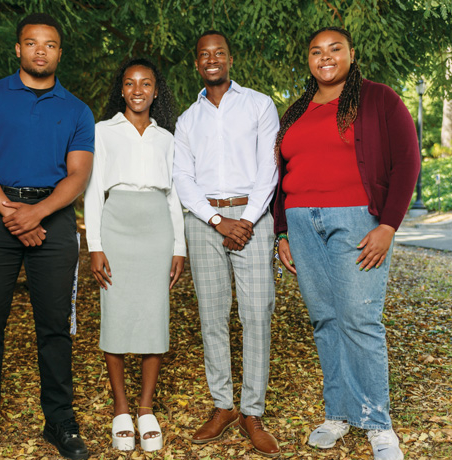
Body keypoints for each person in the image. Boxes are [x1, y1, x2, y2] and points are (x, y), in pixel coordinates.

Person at [0, 13, 94, 460]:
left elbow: (78, 175)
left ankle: (60, 421)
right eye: (31, 43)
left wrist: (38, 213)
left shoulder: (77, 109)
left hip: (55, 216)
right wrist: (12, 213)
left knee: (55, 327)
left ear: (59, 52)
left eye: (49, 44)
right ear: (18, 49)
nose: (40, 51)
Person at [273, 27, 420, 460]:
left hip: (357, 220)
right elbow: (280, 175)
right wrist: (281, 230)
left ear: (351, 54)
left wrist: (388, 225)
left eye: (335, 49)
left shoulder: (378, 99)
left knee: (360, 318)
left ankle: (377, 422)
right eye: (316, 51)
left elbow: (408, 161)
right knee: (325, 319)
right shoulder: (296, 110)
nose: (325, 57)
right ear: (309, 60)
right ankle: (339, 411)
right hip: (302, 223)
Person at [173, 30, 281, 458]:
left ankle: (253, 412)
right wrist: (218, 220)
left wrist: (246, 220)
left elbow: (268, 169)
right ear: (197, 64)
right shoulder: (187, 119)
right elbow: (183, 177)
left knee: (257, 314)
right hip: (204, 222)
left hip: (252, 218)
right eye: (204, 55)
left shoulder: (258, 104)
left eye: (219, 53)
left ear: (230, 59)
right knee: (212, 315)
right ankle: (223, 406)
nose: (212, 59)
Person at [84, 57, 186, 453]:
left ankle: (146, 409)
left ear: (156, 91)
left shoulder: (167, 137)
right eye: (130, 83)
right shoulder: (102, 131)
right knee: (116, 315)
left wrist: (179, 246)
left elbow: (174, 194)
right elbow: (93, 191)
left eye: (146, 84)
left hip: (157, 228)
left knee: (154, 316)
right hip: (117, 225)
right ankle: (121, 410)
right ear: (121, 89)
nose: (138, 90)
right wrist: (95, 246)